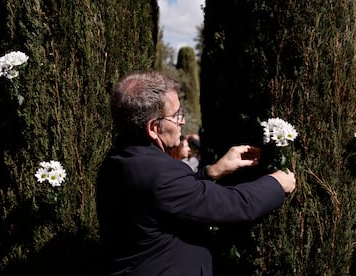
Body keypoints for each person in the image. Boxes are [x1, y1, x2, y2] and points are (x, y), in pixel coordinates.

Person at [96, 70, 296, 276]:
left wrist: (212, 171)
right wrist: (277, 183)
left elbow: (166, 201)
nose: (182, 121)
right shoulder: (159, 174)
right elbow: (233, 205)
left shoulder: (118, 159)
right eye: (176, 115)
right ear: (153, 128)